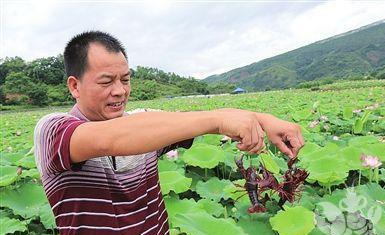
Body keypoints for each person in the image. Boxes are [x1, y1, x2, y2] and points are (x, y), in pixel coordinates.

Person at [34, 31, 304, 235]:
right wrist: (220, 121)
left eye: (125, 79)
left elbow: (181, 120)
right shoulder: (52, 130)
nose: (120, 91)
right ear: (74, 86)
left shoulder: (147, 124)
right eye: (106, 81)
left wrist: (264, 120)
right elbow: (108, 139)